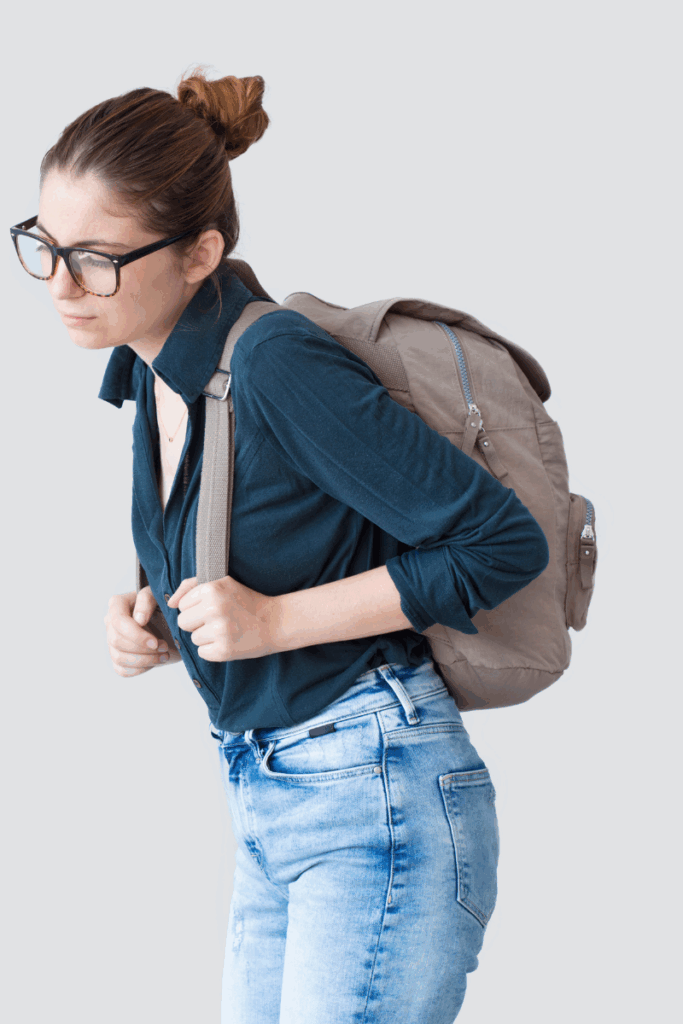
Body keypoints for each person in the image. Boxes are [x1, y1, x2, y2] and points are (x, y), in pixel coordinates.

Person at [12, 67, 549, 1024]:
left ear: (199, 252)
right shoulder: (148, 376)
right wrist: (161, 620)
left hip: (375, 793)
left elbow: (497, 542)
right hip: (270, 796)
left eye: (95, 257)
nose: (60, 283)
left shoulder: (273, 361)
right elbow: (281, 542)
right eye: (43, 245)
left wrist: (272, 621)